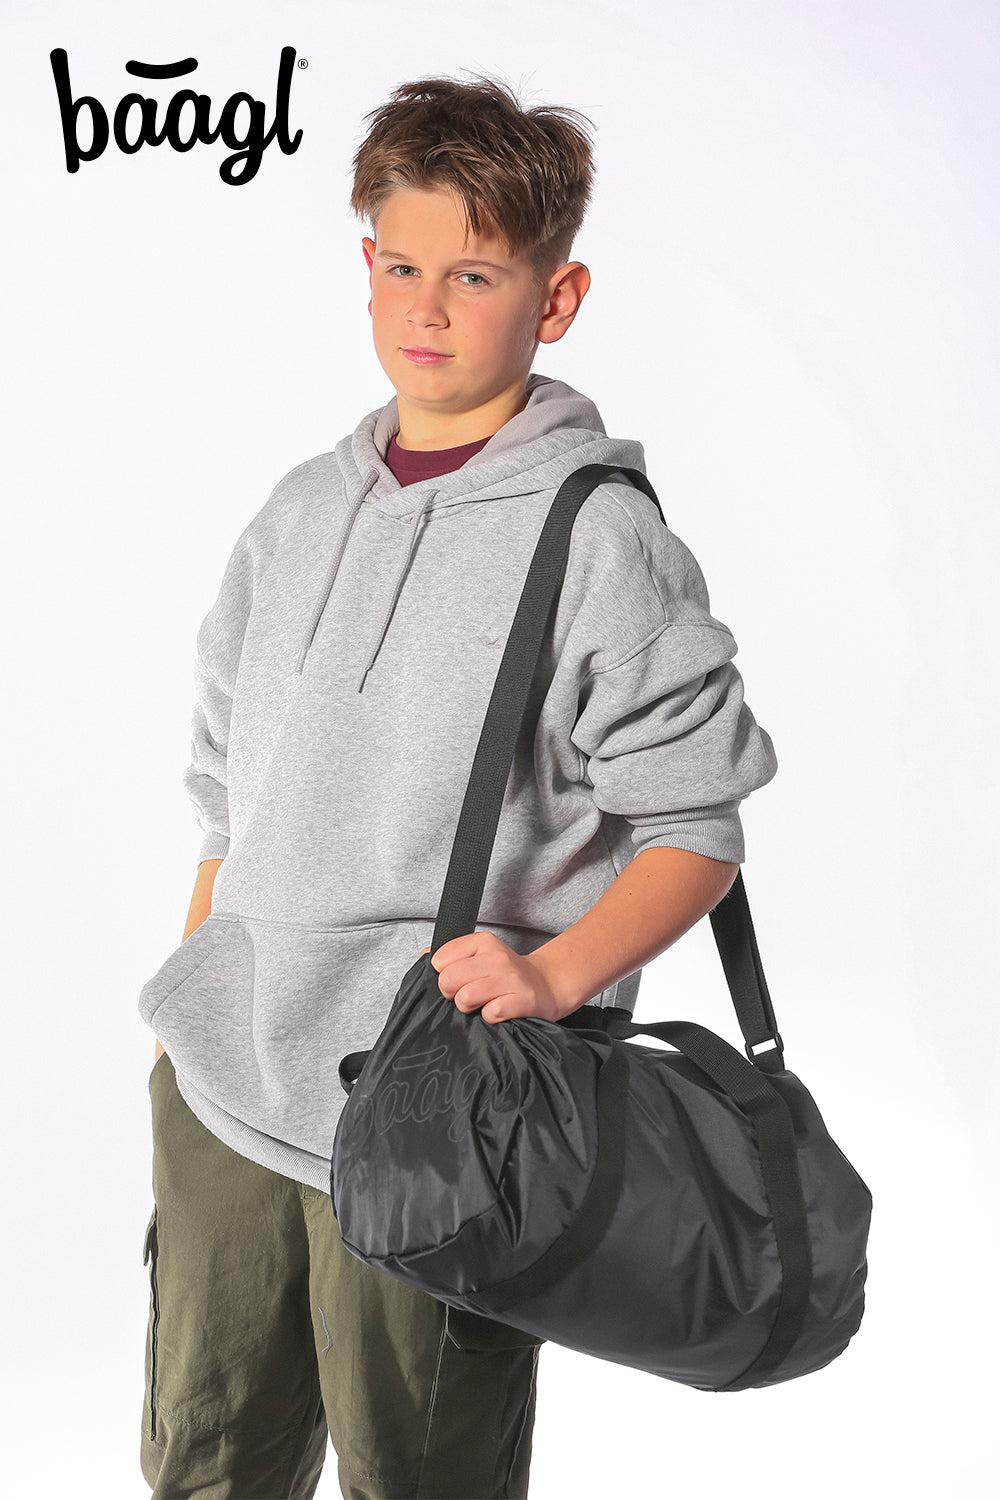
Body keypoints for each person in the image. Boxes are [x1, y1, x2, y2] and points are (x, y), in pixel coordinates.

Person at [138, 73, 778, 1500]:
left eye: (474, 276)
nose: (426, 309)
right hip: (229, 1081)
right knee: (202, 1461)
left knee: (422, 1470)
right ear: (366, 267)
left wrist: (554, 979)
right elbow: (222, 789)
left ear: (558, 298)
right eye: (401, 268)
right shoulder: (300, 509)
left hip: (447, 1109)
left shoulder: (600, 539)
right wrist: (196, 990)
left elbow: (695, 825)